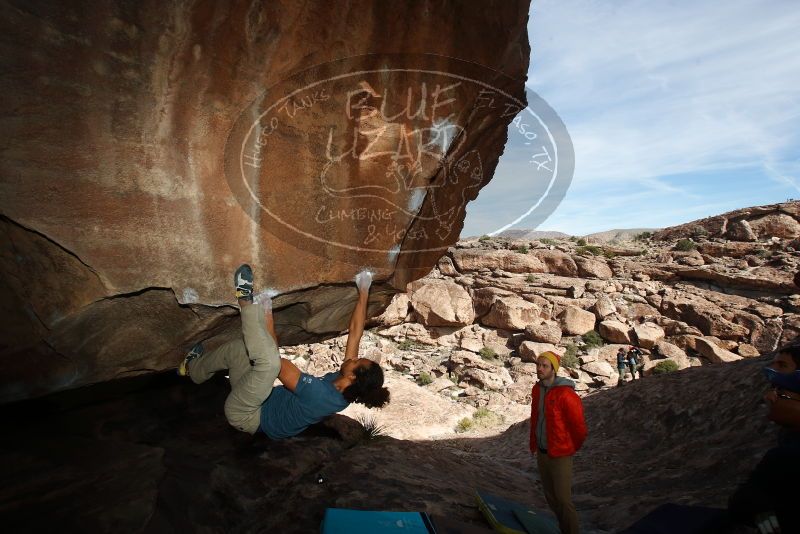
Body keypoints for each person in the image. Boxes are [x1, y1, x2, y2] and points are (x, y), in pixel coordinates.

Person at [178, 264, 390, 438]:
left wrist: (267, 314)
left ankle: (244, 299)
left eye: (357, 361)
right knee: (240, 350)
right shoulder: (346, 386)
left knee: (269, 364)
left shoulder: (321, 395)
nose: (353, 358)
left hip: (247, 414)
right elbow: (355, 333)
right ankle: (193, 369)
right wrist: (364, 289)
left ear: (352, 375)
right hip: (258, 397)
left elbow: (276, 363)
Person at [727, 339, 800, 534]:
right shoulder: (787, 439)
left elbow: (744, 503)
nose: (769, 397)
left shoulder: (786, 457)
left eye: (781, 393)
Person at [529, 351, 587, 534]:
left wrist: (570, 447)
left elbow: (579, 428)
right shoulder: (537, 389)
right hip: (542, 452)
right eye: (538, 365)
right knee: (551, 498)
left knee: (563, 500)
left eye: (545, 365)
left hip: (561, 454)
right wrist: (534, 444)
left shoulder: (566, 394)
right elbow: (535, 419)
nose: (540, 369)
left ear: (554, 369)